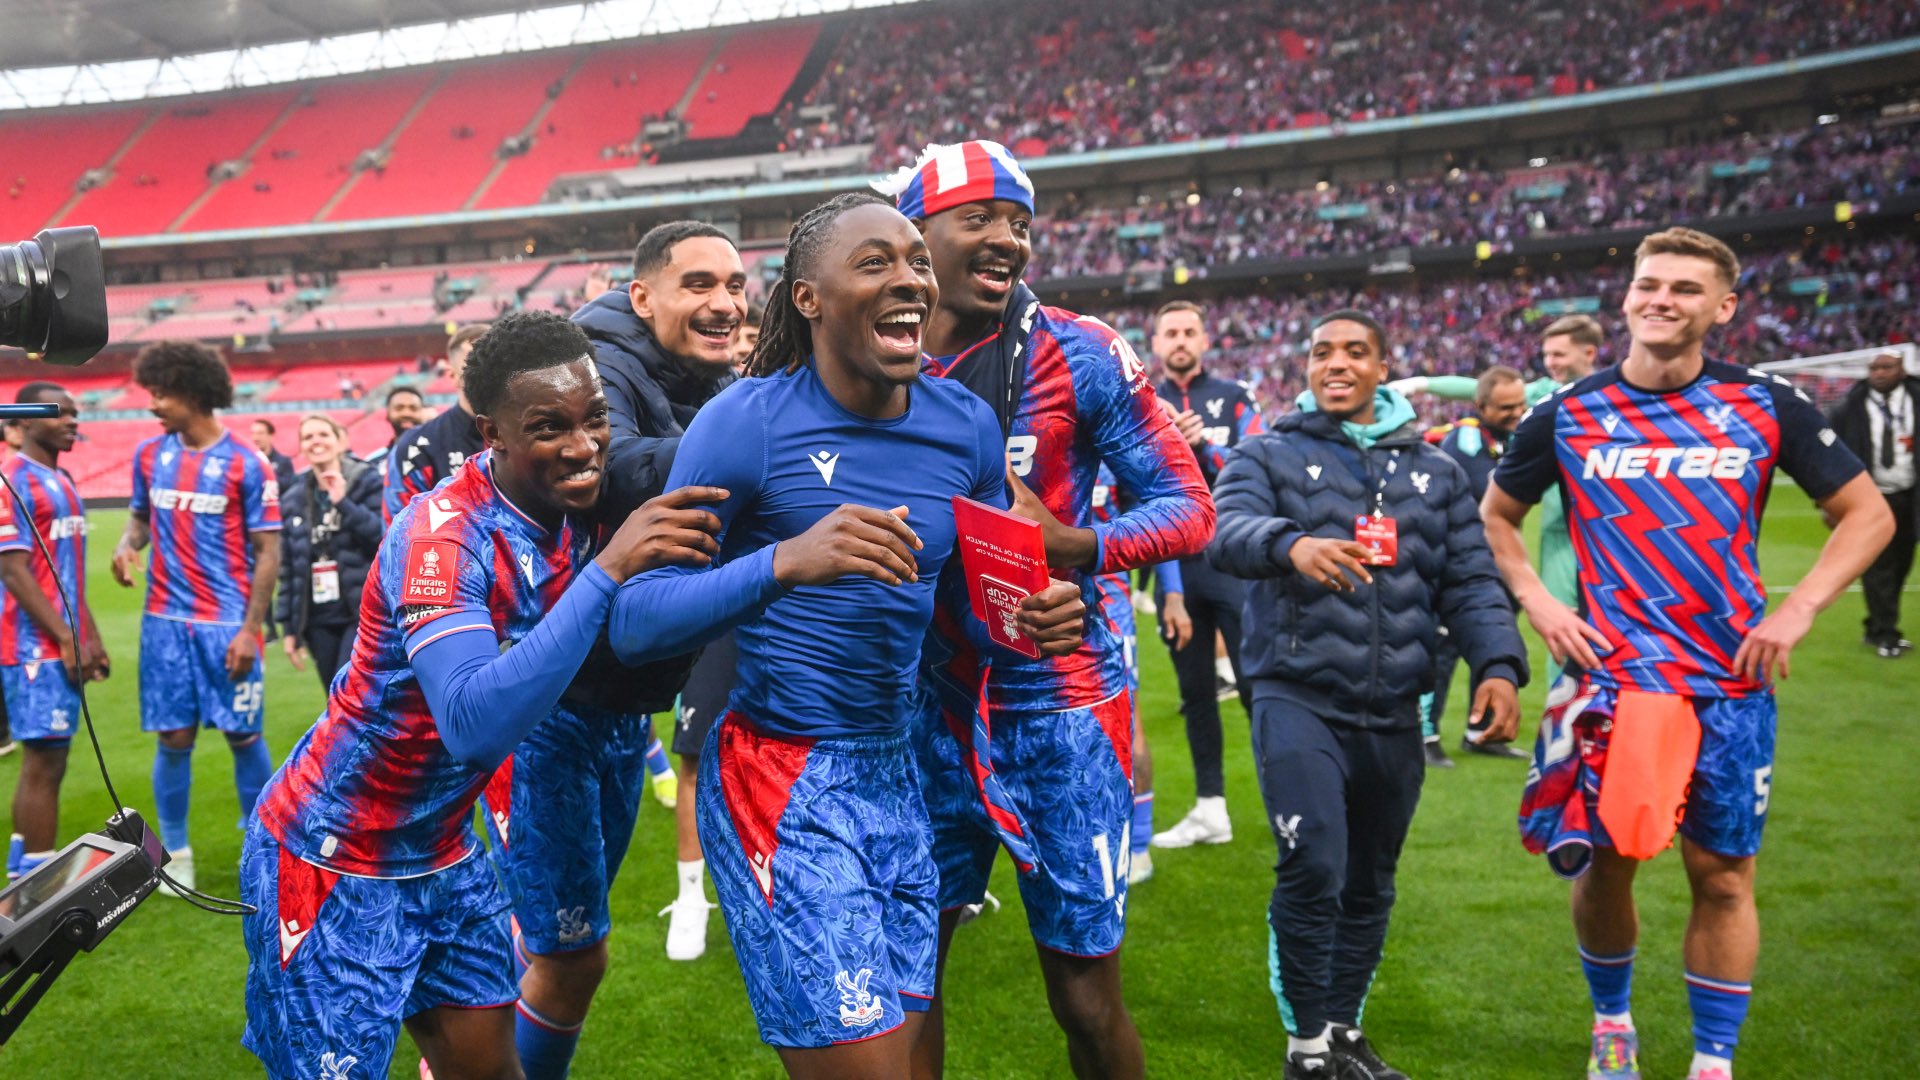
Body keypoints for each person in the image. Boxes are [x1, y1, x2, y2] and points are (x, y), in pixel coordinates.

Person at [603, 192, 1086, 1079]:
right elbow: (634, 622)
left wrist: (1035, 617)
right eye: (875, 264)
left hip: (902, 777)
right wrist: (782, 562)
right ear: (808, 299)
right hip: (779, 778)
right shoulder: (746, 421)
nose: (909, 278)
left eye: (915, 262)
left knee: (906, 1064)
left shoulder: (965, 427)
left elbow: (975, 609)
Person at [241, 311, 726, 1080]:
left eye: (594, 418)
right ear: (489, 433)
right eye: (548, 426)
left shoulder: (576, 509)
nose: (582, 445)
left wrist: (780, 569)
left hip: (444, 853)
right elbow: (471, 724)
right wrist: (608, 572)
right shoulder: (442, 538)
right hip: (335, 855)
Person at [1484, 227, 1892, 1080]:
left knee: (1725, 877)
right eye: (1649, 284)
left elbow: (1869, 514)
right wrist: (1540, 601)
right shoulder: (1568, 412)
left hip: (1729, 682)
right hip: (1616, 680)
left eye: (1684, 288)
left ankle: (1713, 1062)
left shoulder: (1765, 403)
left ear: (1722, 308)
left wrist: (1801, 609)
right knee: (1608, 865)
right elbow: (1495, 518)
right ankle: (1613, 1024)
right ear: (1628, 296)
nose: (1662, 299)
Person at [877, 140, 1214, 1080]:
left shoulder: (1080, 350)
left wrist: (1075, 548)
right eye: (977, 218)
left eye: (1019, 223)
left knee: (1083, 993)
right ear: (915, 236)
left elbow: (1189, 511)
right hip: (917, 707)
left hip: (1059, 704)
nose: (1005, 240)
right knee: (911, 983)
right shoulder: (868, 362)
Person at [1210, 308, 1527, 1080]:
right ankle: (1307, 1046)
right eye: (1323, 352)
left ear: (1384, 368)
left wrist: (1498, 665)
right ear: (1308, 367)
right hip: (1297, 694)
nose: (1338, 364)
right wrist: (1293, 544)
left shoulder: (1438, 474)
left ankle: (1344, 1031)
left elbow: (1472, 582)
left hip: (1396, 705)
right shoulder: (1267, 454)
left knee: (1370, 880)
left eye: (1357, 352)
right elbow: (1225, 530)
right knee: (1313, 861)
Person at [571, 219, 746, 963]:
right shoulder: (591, 363)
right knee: (559, 942)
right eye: (699, 284)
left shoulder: (702, 373)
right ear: (642, 297)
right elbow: (609, 467)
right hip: (559, 695)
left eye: (736, 284)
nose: (726, 302)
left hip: (622, 684)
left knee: (575, 951)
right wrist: (766, 438)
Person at [111, 341, 282, 897]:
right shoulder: (147, 455)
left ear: (195, 392)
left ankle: (264, 847)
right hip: (163, 622)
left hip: (224, 624)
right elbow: (139, 518)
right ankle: (175, 856)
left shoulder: (246, 463)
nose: (153, 404)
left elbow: (268, 551)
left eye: (162, 393)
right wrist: (125, 544)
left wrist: (249, 629)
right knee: (173, 738)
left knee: (242, 733)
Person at [1395, 313, 1599, 682]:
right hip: (1558, 526)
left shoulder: (1612, 395)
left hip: (1604, 523)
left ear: (1589, 352)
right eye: (1547, 354)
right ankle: (1565, 704)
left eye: (1559, 354)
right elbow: (1476, 388)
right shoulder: (1542, 392)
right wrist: (1421, 383)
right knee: (1561, 620)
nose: (1550, 363)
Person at [1146, 298, 1260, 849]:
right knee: (1196, 693)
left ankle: (1290, 805)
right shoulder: (1140, 401)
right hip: (1177, 572)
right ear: (1157, 342)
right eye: (1171, 332)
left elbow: (1259, 464)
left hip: (1235, 564)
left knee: (1260, 688)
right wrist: (1169, 444)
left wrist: (1203, 447)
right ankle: (1211, 807)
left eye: (1190, 330)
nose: (1181, 340)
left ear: (1205, 340)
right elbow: (1135, 487)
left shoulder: (1234, 398)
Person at [1, 383, 108, 882]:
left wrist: (90, 634)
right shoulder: (13, 479)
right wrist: (65, 638)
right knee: (43, 761)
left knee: (53, 758)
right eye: (60, 413)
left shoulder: (59, 480)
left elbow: (65, 569)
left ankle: (23, 870)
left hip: (57, 638)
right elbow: (15, 570)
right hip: (30, 646)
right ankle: (32, 887)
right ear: (22, 421)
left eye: (75, 413)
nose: (72, 421)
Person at [1419, 364, 1532, 766]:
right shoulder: (1464, 441)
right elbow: (1486, 493)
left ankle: (1481, 730)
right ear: (1481, 406)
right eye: (1506, 407)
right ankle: (1426, 734)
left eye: (1520, 404)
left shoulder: (1508, 437)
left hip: (1499, 562)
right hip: (1460, 565)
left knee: (1493, 645)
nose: (1517, 413)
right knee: (1444, 650)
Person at [275, 413, 383, 690]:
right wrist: (289, 628)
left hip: (359, 611)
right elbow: (289, 565)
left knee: (348, 687)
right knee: (333, 695)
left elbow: (380, 539)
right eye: (308, 437)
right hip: (317, 618)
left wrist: (343, 501)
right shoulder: (293, 498)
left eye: (323, 434)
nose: (316, 441)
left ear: (340, 441)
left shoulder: (365, 480)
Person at [1827, 348, 1917, 657]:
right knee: (1878, 566)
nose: (1878, 373)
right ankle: (1886, 633)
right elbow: (1830, 455)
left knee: (1902, 565)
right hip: (1871, 499)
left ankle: (1876, 626)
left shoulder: (1915, 400)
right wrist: (1831, 503)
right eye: (1874, 368)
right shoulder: (1849, 407)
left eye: (1886, 367)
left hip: (1910, 497)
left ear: (1902, 370)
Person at [385, 322, 490, 523]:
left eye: (496, 362)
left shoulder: (530, 437)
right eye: (475, 362)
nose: (487, 371)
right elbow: (400, 536)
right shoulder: (417, 446)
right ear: (452, 375)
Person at [251, 417, 297, 494]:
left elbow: (290, 487)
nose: (256, 438)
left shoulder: (283, 461)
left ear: (271, 436)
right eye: (253, 433)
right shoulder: (247, 462)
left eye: (260, 433)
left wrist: (265, 473)